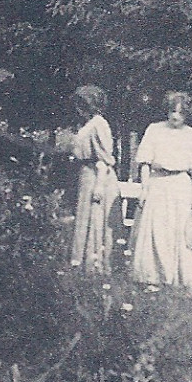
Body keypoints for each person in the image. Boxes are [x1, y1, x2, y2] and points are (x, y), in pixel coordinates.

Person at [130, 91, 192, 289]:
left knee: (179, 233)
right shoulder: (154, 130)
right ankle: (153, 276)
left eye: (181, 113)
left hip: (180, 186)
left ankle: (178, 278)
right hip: (158, 184)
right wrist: (144, 189)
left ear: (187, 115)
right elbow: (145, 163)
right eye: (172, 111)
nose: (175, 116)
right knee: (157, 230)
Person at [64, 85, 118, 274]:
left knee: (96, 219)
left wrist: (99, 186)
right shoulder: (88, 124)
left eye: (80, 105)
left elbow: (104, 158)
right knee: (85, 218)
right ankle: (82, 264)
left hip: (97, 176)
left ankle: (96, 266)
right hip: (86, 174)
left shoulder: (99, 124)